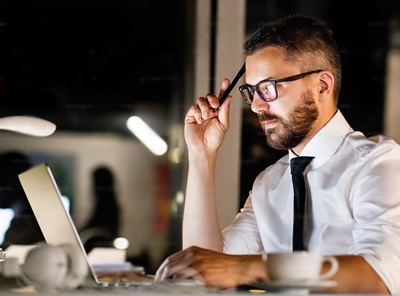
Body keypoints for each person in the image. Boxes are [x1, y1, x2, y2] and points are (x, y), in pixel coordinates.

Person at [155, 15, 400, 294]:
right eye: (251, 92)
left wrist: (245, 269)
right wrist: (201, 156)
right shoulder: (269, 184)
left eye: (268, 88)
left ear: (322, 85)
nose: (256, 106)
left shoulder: (379, 165)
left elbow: (380, 278)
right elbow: (201, 270)